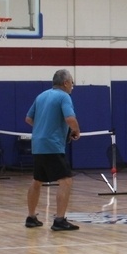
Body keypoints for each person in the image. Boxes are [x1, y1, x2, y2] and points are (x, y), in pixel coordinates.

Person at [24, 69, 81, 231]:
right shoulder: (64, 97)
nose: (72, 86)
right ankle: (59, 220)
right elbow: (70, 118)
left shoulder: (41, 96)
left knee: (37, 181)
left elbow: (28, 118)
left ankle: (31, 217)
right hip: (52, 145)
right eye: (71, 83)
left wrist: (43, 128)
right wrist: (76, 130)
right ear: (65, 83)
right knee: (66, 181)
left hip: (38, 144)